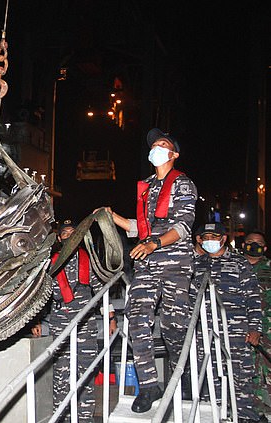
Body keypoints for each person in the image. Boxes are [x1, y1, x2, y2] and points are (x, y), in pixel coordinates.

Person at [103, 128, 197, 412]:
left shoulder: (183, 184)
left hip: (175, 264)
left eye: (163, 144)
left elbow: (182, 227)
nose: (156, 147)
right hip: (147, 263)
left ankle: (183, 375)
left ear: (173, 153)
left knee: (173, 327)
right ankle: (149, 385)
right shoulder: (145, 186)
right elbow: (139, 228)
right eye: (154, 144)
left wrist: (155, 243)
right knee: (137, 317)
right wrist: (112, 216)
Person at [44, 219, 116, 421]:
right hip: (60, 323)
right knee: (62, 375)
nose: (69, 236)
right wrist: (34, 323)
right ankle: (62, 417)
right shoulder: (50, 263)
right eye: (65, 233)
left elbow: (101, 290)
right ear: (59, 238)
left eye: (73, 232)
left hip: (85, 324)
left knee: (86, 372)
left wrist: (110, 317)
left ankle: (84, 417)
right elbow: (41, 295)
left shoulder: (88, 259)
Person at [194, 222, 265, 423]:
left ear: (223, 239)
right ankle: (217, 417)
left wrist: (255, 329)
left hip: (236, 332)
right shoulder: (197, 265)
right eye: (206, 237)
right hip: (205, 334)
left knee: (240, 379)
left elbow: (253, 298)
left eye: (214, 237)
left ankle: (246, 418)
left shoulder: (239, 263)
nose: (210, 241)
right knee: (209, 378)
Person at [242, 231, 271, 411]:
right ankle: (248, 408)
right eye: (250, 242)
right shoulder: (235, 267)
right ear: (243, 245)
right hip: (241, 327)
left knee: (266, 368)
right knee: (245, 368)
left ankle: (265, 408)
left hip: (267, 329)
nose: (254, 245)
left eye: (258, 243)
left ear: (265, 247)